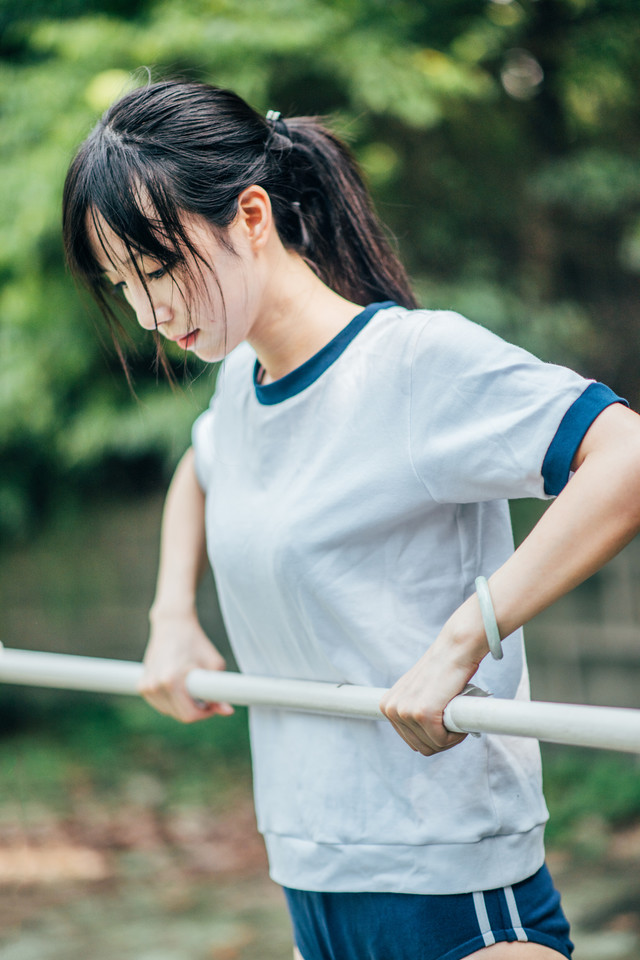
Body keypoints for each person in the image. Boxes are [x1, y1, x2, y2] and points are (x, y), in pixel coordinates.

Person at [62, 78, 640, 960]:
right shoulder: (239, 385)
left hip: (453, 888)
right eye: (124, 283)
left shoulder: (413, 365)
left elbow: (626, 458)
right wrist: (171, 617)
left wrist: (464, 640)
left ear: (251, 216)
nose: (148, 312)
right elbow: (202, 466)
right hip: (309, 876)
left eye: (160, 269)